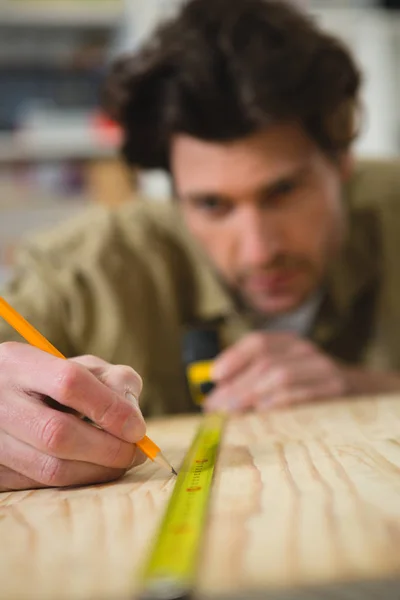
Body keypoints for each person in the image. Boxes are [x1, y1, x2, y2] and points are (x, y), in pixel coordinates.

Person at [2, 0, 400, 492]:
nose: (259, 251)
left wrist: (367, 387)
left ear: (342, 162)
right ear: (173, 196)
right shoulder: (91, 269)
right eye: (212, 204)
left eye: (282, 192)